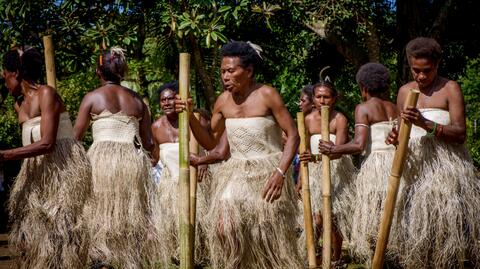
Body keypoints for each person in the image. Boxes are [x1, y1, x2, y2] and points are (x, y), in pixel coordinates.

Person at [176, 41, 302, 269]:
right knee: (225, 228)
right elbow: (210, 141)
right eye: (223, 71)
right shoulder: (223, 101)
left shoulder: (267, 94)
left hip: (269, 170)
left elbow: (293, 135)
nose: (225, 76)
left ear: (249, 71)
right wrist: (190, 116)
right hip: (236, 172)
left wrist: (280, 172)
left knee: (265, 235)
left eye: (231, 71)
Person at [386, 37, 480, 268]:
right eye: (415, 70)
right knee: (416, 237)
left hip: (446, 175)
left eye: (426, 71)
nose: (420, 76)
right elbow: (401, 131)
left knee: (447, 239)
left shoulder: (450, 88)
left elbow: (460, 134)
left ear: (437, 65)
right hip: (414, 174)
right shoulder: (404, 92)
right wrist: (395, 137)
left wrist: (427, 124)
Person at [0, 47, 92, 268]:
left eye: (4, 77)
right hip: (37, 176)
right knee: (36, 237)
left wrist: (5, 155)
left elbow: (48, 143)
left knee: (63, 233)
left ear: (15, 74)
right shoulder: (19, 105)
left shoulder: (46, 93)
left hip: (62, 172)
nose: (4, 83)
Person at [73, 47, 155, 269]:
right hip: (132, 162)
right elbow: (149, 143)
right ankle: (130, 262)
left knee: (101, 215)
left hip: (102, 164)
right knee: (130, 214)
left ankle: (103, 261)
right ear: (122, 71)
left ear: (99, 71)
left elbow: (75, 139)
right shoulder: (138, 101)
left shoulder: (92, 97)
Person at [319, 63, 402, 264]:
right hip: (397, 166)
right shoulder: (394, 107)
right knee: (394, 219)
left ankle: (378, 262)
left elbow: (358, 144)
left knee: (374, 223)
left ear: (363, 88)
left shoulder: (363, 108)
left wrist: (334, 149)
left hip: (376, 169)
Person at [150, 81, 211, 266]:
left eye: (170, 99)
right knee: (174, 236)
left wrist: (204, 162)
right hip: (171, 187)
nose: (166, 103)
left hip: (196, 184)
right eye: (163, 100)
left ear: (179, 100)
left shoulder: (195, 119)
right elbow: (155, 158)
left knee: (199, 232)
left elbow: (209, 145)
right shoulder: (156, 127)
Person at [297, 81, 356, 265]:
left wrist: (329, 151)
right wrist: (300, 178)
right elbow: (304, 149)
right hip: (314, 174)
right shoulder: (306, 119)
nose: (322, 100)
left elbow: (338, 152)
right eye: (318, 96)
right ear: (313, 99)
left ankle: (336, 257)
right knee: (318, 219)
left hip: (336, 173)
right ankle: (316, 254)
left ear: (334, 99)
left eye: (326, 97)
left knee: (334, 217)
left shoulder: (340, 119)